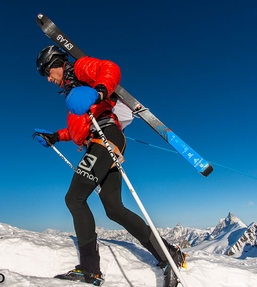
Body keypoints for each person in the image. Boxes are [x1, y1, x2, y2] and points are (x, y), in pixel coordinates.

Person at [32, 45, 186, 287]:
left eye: (46, 72)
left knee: (75, 199)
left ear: (55, 63)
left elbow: (109, 68)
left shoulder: (79, 70)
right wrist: (54, 136)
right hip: (99, 140)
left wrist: (99, 92)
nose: (48, 79)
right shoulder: (72, 93)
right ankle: (169, 253)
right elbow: (77, 131)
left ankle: (90, 270)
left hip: (106, 137)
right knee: (114, 209)